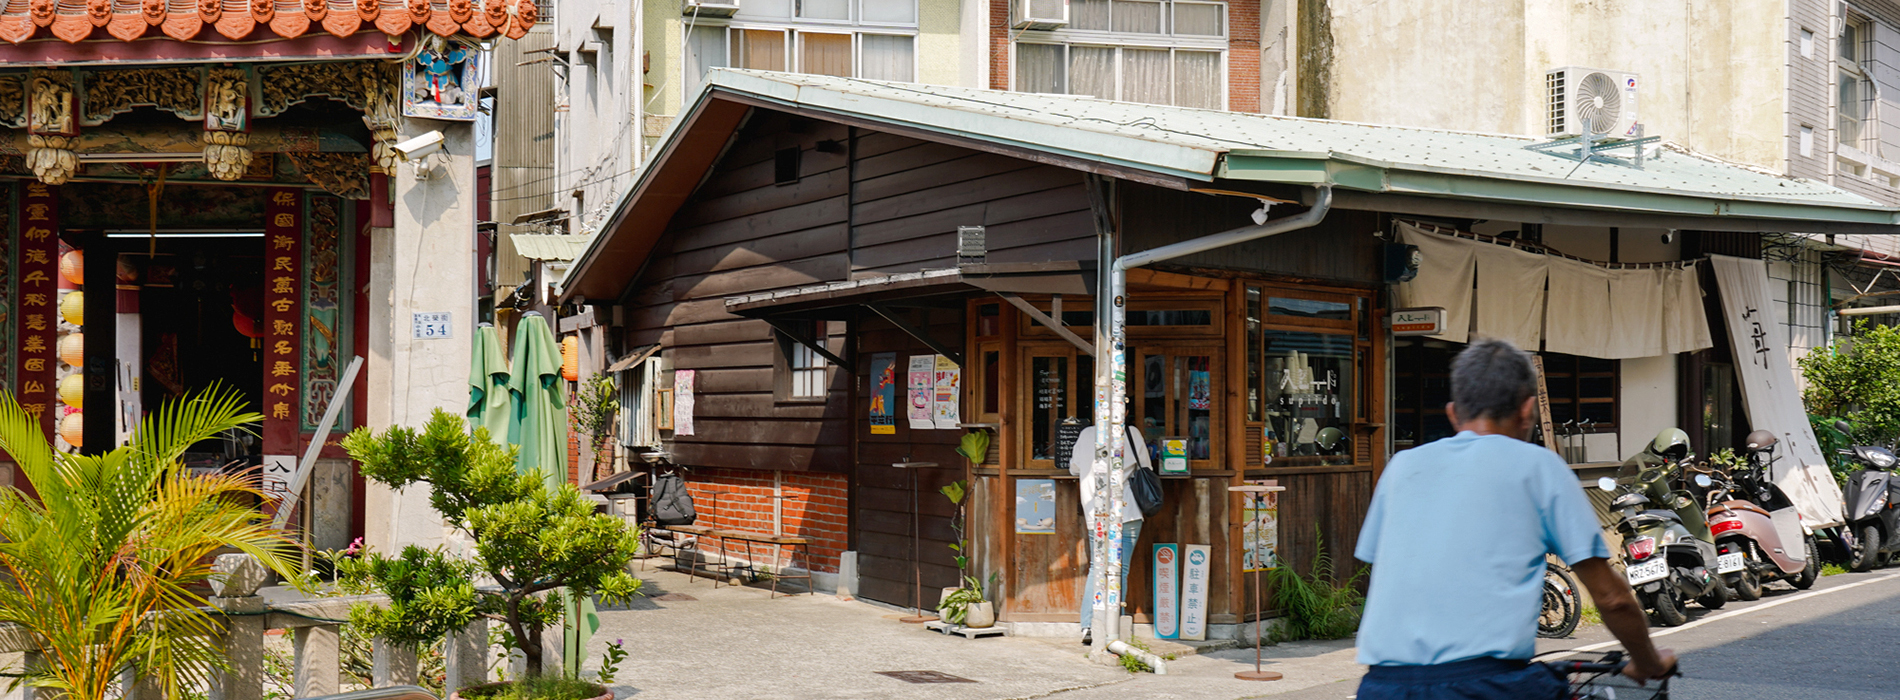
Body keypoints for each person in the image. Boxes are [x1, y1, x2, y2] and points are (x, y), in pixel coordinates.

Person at [1354, 339, 1675, 699]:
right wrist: (1647, 660)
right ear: (1527, 411)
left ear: (1452, 413)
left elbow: (1388, 570)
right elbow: (1612, 597)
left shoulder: (1402, 467)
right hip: (1487, 685)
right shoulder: (1539, 468)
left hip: (1384, 686)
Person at [1068, 422, 1150, 646]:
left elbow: (1074, 468)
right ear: (1124, 409)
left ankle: (1088, 625)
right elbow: (1146, 466)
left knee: (1097, 567)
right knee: (1120, 569)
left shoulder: (1086, 434)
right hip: (1128, 511)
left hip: (1097, 514)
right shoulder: (1131, 433)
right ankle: (1112, 626)